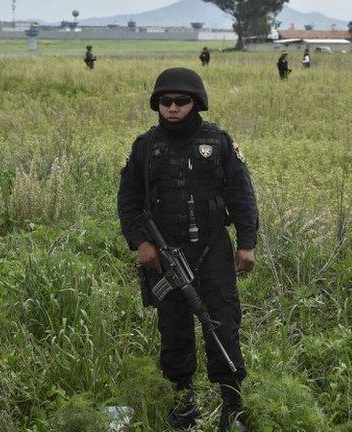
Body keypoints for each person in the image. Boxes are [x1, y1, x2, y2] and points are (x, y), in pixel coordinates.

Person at [117, 68, 258, 432]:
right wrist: (142, 243)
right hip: (165, 255)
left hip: (212, 248)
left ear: (197, 103)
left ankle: (232, 406)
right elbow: (129, 201)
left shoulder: (219, 142)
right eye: (166, 102)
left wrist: (246, 244)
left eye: (182, 101)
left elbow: (242, 195)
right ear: (157, 105)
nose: (173, 108)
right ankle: (183, 404)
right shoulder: (145, 147)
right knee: (174, 328)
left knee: (222, 324)